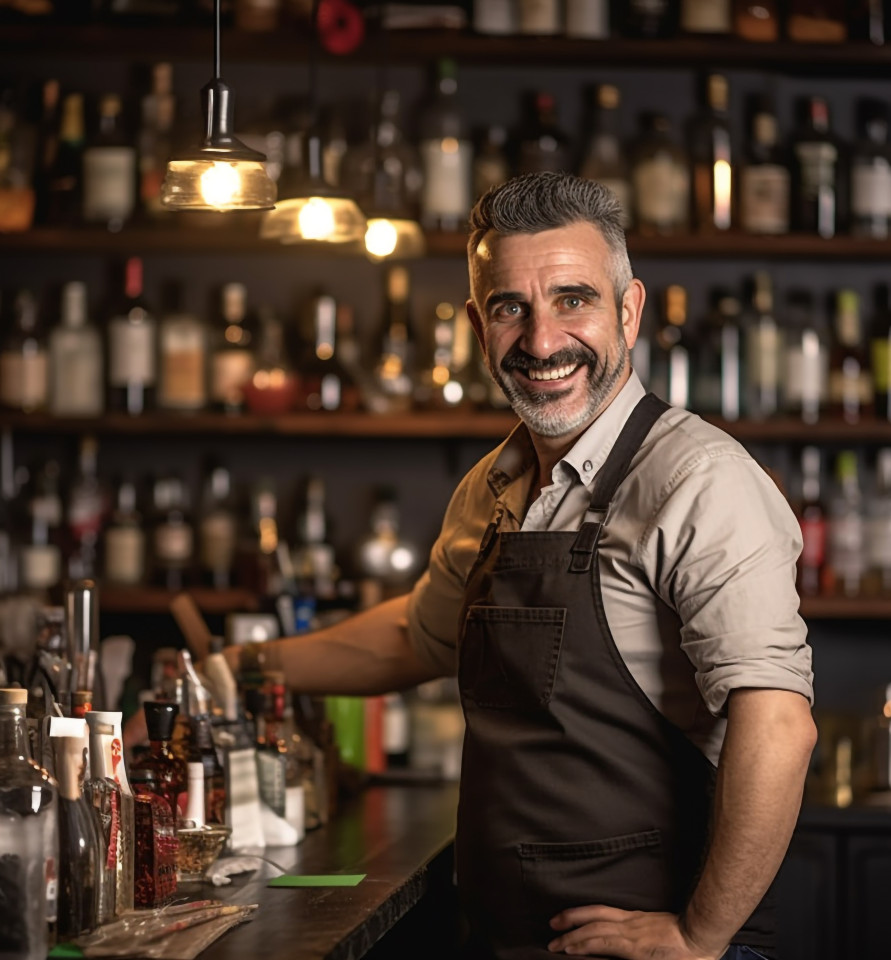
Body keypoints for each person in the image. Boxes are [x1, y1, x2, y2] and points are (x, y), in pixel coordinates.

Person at [220, 172, 817, 960]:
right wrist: (242, 666)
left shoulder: (698, 481)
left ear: (629, 311)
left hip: (641, 947)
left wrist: (699, 936)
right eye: (512, 308)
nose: (541, 342)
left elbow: (777, 725)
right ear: (477, 324)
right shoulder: (492, 487)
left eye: (573, 300)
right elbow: (415, 636)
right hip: (507, 935)